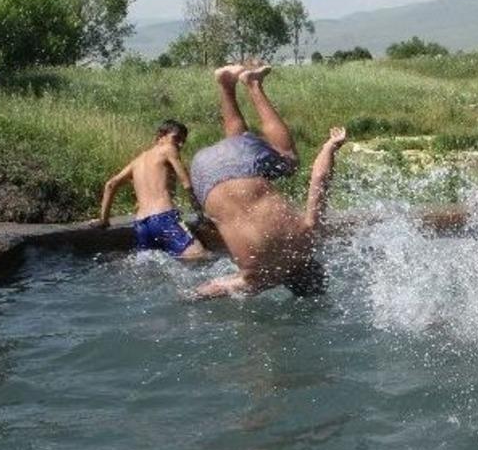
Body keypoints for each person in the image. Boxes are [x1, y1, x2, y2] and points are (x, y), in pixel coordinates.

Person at [189, 61, 346, 298]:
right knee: (239, 144)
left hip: (235, 166)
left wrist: (330, 147)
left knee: (289, 160)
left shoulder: (307, 240)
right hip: (202, 175)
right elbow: (203, 292)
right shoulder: (252, 281)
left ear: (314, 266)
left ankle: (252, 84)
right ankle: (225, 83)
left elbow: (320, 178)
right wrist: (187, 299)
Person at [91, 119, 209, 259]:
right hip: (164, 218)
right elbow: (186, 183)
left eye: (183, 141)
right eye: (176, 138)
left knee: (151, 266)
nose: (180, 144)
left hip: (141, 225)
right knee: (202, 256)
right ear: (160, 136)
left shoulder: (137, 161)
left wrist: (104, 220)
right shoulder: (168, 149)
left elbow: (111, 184)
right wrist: (201, 216)